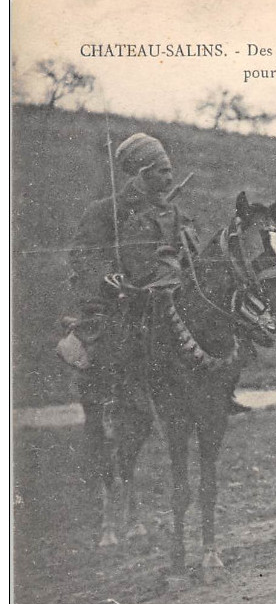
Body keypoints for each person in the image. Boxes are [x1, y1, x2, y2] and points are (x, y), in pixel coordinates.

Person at [67, 132, 187, 502]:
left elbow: (182, 252)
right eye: (163, 171)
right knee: (110, 364)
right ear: (144, 171)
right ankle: (108, 410)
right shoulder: (105, 211)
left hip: (164, 301)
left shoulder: (171, 211)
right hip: (118, 306)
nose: (170, 178)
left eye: (170, 171)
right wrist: (105, 277)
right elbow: (82, 258)